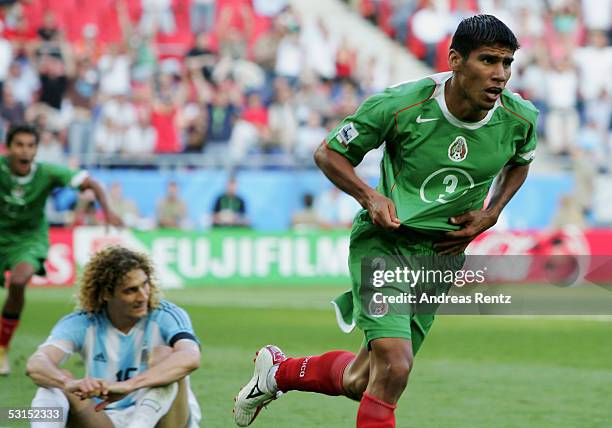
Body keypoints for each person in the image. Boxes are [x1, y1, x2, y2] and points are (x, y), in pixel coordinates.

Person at [234, 15, 537, 427]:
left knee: (365, 379)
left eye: (507, 63)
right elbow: (328, 153)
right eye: (488, 61)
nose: (500, 74)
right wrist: (369, 196)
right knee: (395, 365)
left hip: (440, 259)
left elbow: (520, 162)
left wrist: (492, 212)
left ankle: (278, 372)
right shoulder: (401, 104)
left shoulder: (520, 118)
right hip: (386, 245)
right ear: (455, 60)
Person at [26, 245, 202, 428]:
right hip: (104, 417)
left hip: (164, 420)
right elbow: (37, 363)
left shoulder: (166, 314)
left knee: (165, 357)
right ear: (106, 294)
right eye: (130, 290)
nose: (143, 296)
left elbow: (191, 357)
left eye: (145, 284)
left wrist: (130, 385)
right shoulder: (83, 321)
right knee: (53, 382)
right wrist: (68, 382)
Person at [0, 123, 123, 376]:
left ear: (37, 149)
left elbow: (92, 184)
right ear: (8, 148)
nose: (25, 151)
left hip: (29, 240)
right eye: (19, 145)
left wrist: (107, 211)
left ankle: (2, 348)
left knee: (20, 280)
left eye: (31, 145)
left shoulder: (47, 172)